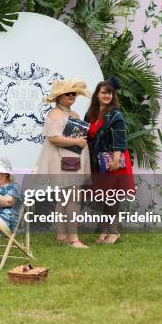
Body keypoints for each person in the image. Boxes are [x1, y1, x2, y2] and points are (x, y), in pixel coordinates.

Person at [34, 78, 91, 248]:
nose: (71, 96)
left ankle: (62, 236)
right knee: (71, 198)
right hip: (63, 161)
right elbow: (53, 138)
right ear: (58, 97)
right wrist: (77, 142)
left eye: (74, 94)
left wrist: (79, 142)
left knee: (65, 199)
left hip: (72, 160)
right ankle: (73, 239)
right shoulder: (54, 114)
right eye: (68, 94)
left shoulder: (73, 115)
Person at [85, 78, 134, 245]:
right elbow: (85, 135)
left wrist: (115, 159)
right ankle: (105, 231)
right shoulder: (91, 113)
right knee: (104, 197)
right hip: (98, 161)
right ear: (97, 95)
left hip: (113, 160)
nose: (107, 95)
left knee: (112, 197)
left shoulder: (115, 114)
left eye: (110, 93)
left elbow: (120, 139)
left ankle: (114, 232)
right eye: (103, 92)